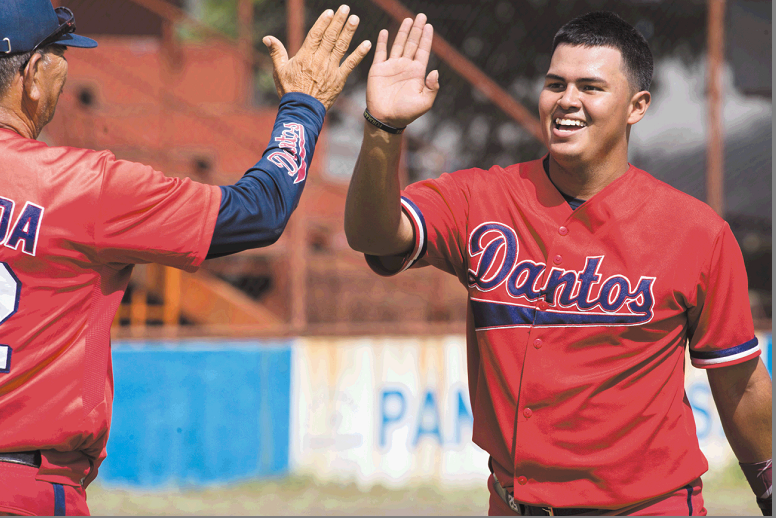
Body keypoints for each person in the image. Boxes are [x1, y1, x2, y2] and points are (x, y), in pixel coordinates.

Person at [344, 11, 772, 516]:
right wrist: (384, 129)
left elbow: (739, 381)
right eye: (555, 84)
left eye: (591, 87)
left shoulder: (697, 232)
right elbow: (373, 235)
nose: (567, 99)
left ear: (637, 106)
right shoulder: (480, 198)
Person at [0, 0, 371, 514]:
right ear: (34, 75)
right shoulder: (82, 185)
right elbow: (260, 211)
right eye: (61, 55)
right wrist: (303, 107)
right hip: (25, 488)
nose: (67, 70)